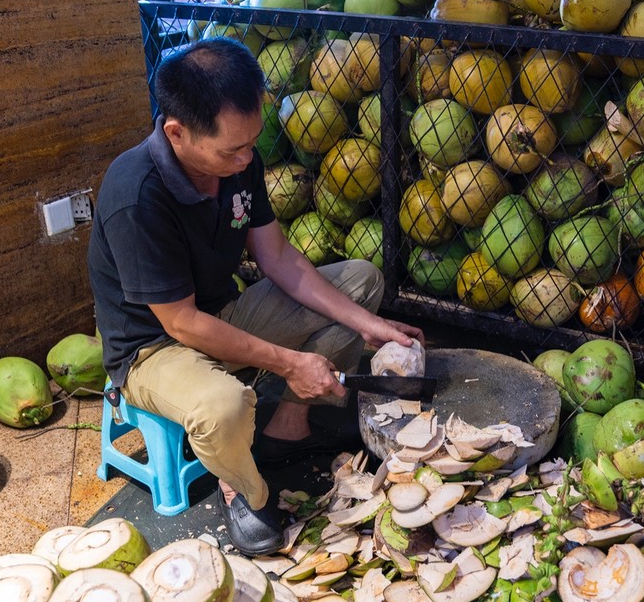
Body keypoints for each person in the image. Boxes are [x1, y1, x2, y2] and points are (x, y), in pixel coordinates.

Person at [88, 37, 423, 557]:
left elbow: (279, 258)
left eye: (252, 143)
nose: (247, 158)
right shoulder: (135, 194)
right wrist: (289, 363)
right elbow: (181, 324)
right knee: (222, 407)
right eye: (231, 150)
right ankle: (246, 489)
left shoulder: (239, 163)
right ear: (177, 132)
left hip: (221, 313)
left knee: (360, 282)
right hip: (154, 347)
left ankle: (287, 428)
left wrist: (369, 325)